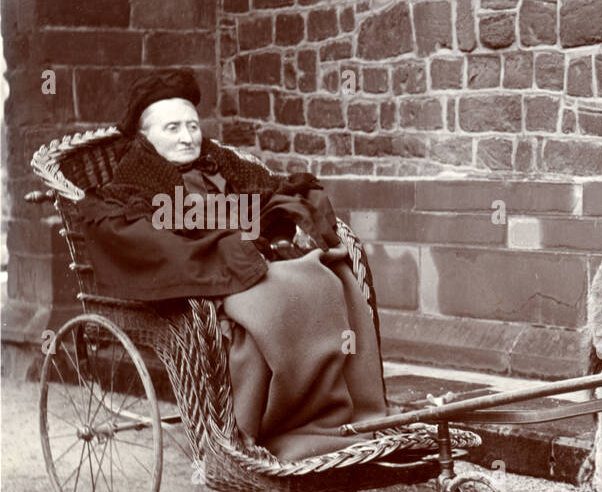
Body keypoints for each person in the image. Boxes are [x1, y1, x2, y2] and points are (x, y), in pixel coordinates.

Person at [76, 68, 388, 461]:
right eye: (172, 128)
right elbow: (149, 242)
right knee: (290, 294)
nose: (187, 137)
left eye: (192, 125)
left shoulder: (221, 163)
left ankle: (342, 411)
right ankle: (275, 425)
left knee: (333, 277)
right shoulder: (132, 185)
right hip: (212, 278)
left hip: (253, 262)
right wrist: (227, 246)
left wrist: (280, 218)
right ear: (145, 137)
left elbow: (266, 195)